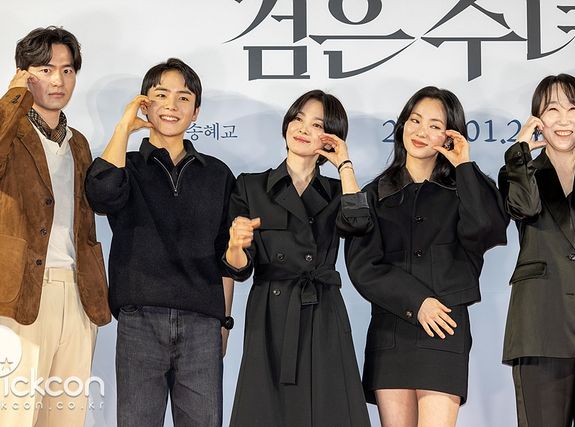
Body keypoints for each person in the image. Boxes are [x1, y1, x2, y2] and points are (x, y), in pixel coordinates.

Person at [0, 26, 111, 426]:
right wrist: (14, 97)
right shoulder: (6, 132)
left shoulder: (78, 143)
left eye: (67, 70)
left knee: (67, 416)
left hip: (78, 293)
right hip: (20, 292)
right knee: (12, 416)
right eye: (46, 70)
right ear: (24, 74)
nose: (58, 80)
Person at [84, 58, 235, 427]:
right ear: (144, 103)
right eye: (161, 95)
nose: (172, 105)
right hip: (140, 320)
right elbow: (101, 195)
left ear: (196, 112)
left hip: (202, 323)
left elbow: (226, 256)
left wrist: (224, 321)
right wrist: (124, 127)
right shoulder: (126, 166)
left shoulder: (217, 173)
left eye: (184, 98)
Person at [345, 86, 507, 427]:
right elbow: (363, 267)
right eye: (415, 120)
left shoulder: (466, 188)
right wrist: (417, 302)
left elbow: (486, 231)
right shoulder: (373, 195)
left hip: (444, 327)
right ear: (402, 124)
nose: (421, 131)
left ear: (450, 135)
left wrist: (464, 166)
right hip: (391, 331)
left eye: (435, 125)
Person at [224, 89, 371, 427]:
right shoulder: (251, 186)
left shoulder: (338, 191)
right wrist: (235, 245)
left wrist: (344, 164)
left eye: (317, 124)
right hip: (270, 313)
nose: (303, 128)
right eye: (298, 118)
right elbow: (240, 268)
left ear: (331, 137)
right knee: (268, 411)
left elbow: (359, 224)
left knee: (328, 411)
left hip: (323, 311)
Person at [498, 73, 575, 427]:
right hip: (539, 327)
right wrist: (519, 156)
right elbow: (524, 207)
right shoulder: (519, 172)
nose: (564, 119)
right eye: (552, 109)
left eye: (573, 109)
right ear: (537, 119)